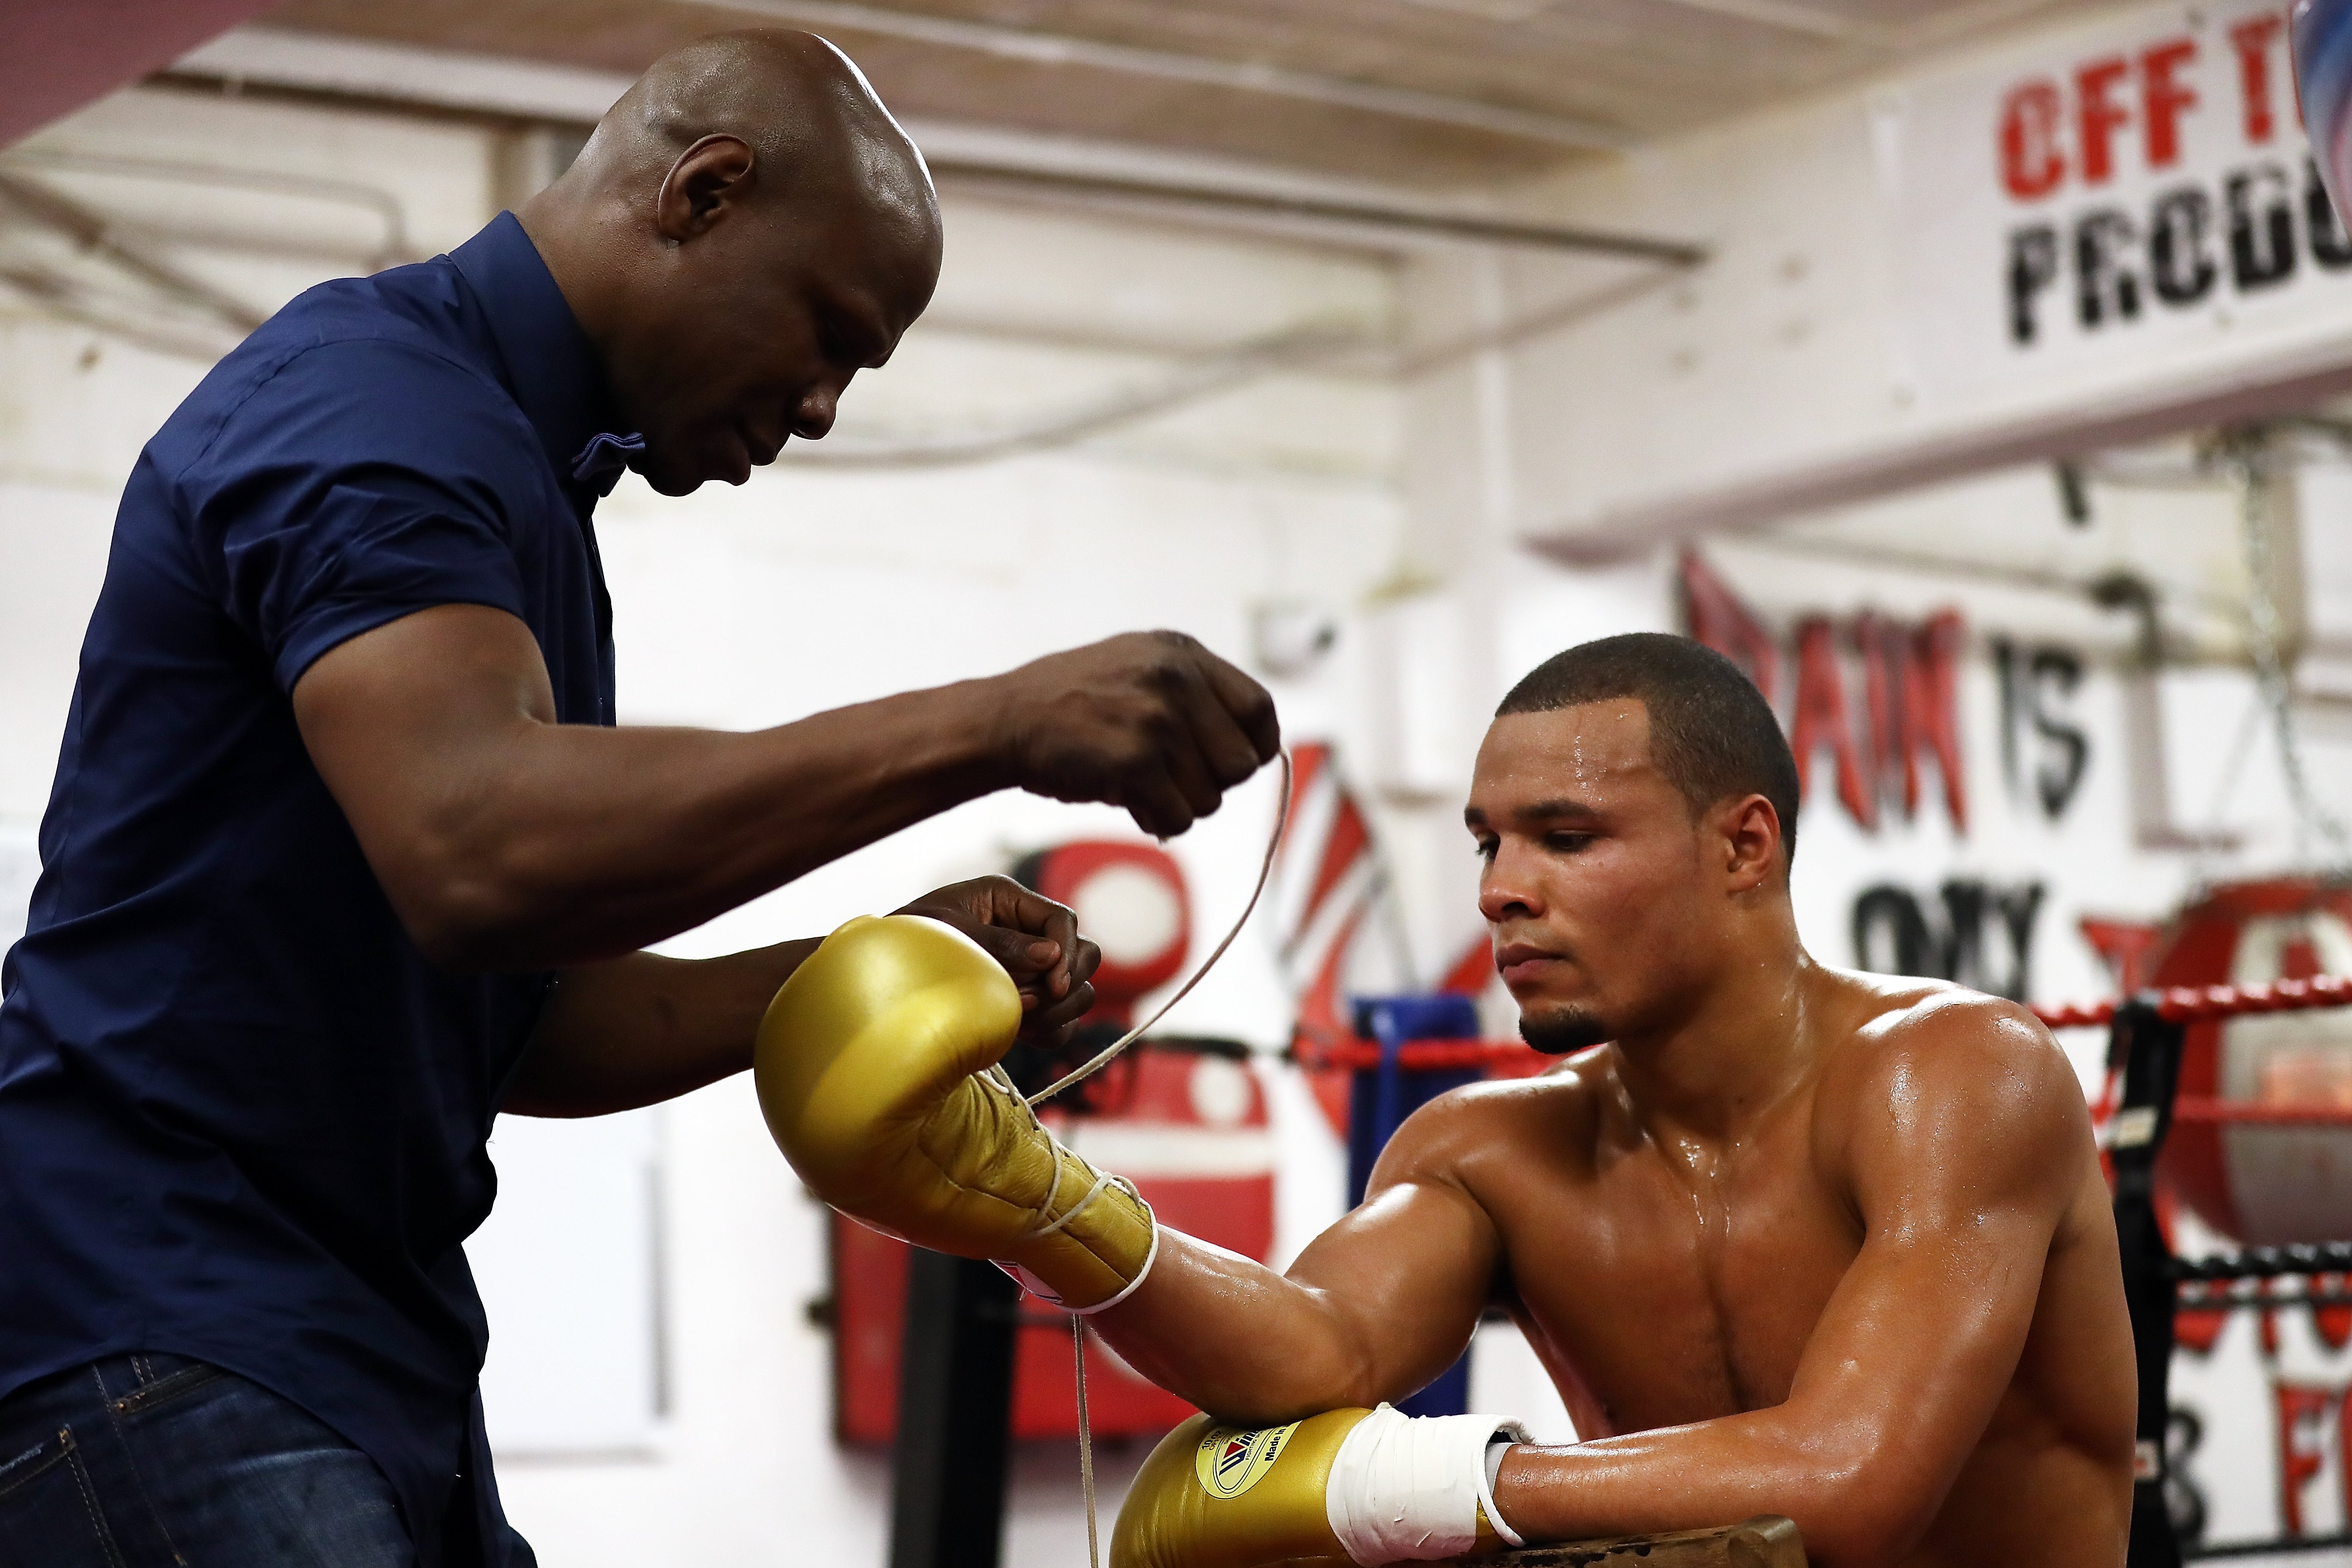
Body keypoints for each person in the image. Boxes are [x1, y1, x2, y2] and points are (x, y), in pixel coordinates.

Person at [0, 29, 1278, 1568]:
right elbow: (478, 851)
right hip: (156, 1316)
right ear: (702, 192)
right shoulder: (365, 404)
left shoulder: (517, 490)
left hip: (352, 1341)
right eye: (826, 334)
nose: (818, 409)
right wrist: (996, 723)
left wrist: (884, 970)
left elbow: (523, 1012)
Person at [760, 632, 2136, 1568]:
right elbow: (1308, 1351)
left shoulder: (1952, 1075)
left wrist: (1407, 1489)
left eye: (1568, 837)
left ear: (1744, 844)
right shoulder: (1495, 1150)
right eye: (1489, 842)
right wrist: (1037, 1203)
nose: (1499, 890)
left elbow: (1848, 1482)